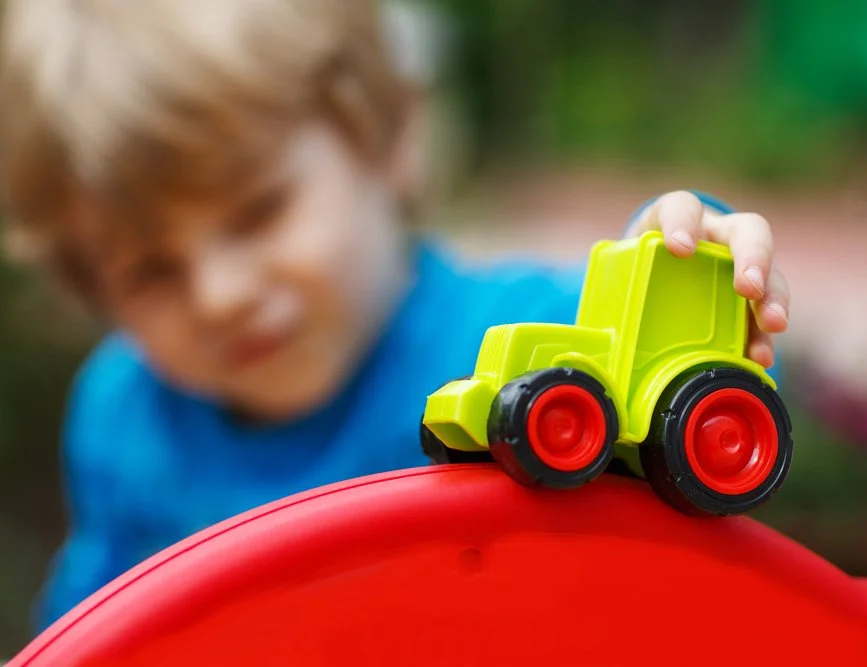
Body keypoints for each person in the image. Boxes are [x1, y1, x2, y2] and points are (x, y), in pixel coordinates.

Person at [0, 0, 790, 633]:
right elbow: (94, 630)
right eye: (149, 271)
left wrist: (688, 256)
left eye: (258, 212)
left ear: (391, 139)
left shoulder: (505, 331)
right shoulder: (122, 419)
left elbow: (649, 404)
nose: (220, 293)